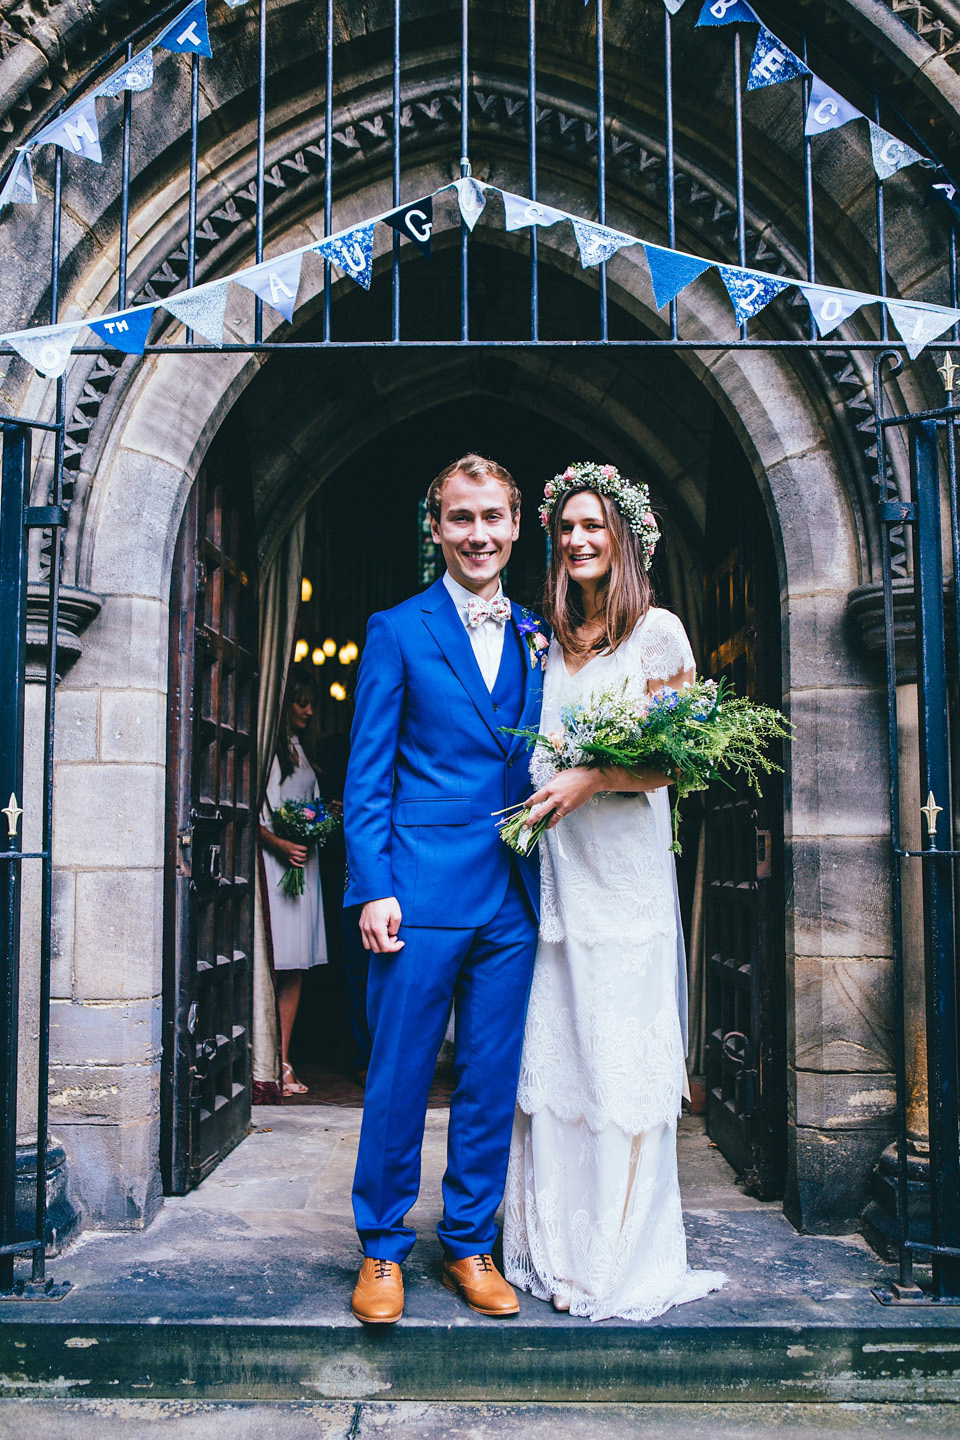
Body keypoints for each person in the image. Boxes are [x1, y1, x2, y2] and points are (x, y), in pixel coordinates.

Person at [502, 461, 727, 1322]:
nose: (576, 540)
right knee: (557, 1058)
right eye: (564, 528)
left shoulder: (658, 633)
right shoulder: (543, 641)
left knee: (619, 1058)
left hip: (625, 879)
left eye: (592, 526)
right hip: (555, 879)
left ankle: (619, 1255)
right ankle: (551, 1246)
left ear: (623, 537)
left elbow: (682, 760)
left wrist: (591, 779)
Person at [343, 454, 544, 1325]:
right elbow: (367, 773)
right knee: (398, 1076)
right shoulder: (396, 628)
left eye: (492, 517)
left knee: (491, 1077)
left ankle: (469, 1241)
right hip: (418, 889)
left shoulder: (540, 630)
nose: (478, 534)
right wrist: (372, 887)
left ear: (516, 525)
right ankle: (382, 1249)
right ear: (436, 529)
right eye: (461, 518)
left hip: (516, 892)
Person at [259, 674, 328, 1097]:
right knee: (277, 960)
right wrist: (281, 843)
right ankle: (271, 1063)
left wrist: (324, 817)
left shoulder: (304, 752)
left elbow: (311, 804)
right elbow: (254, 816)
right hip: (276, 863)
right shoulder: (271, 753)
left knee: (297, 965)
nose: (307, 711)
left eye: (311, 704)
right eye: (300, 703)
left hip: (304, 865)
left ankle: (285, 1060)